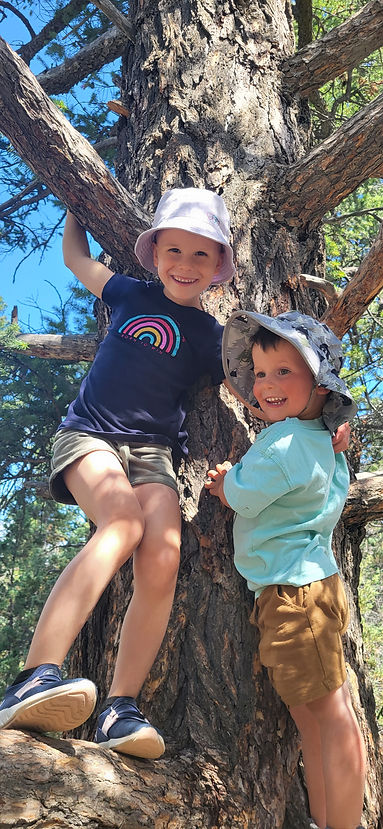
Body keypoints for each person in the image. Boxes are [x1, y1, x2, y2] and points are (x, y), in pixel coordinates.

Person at [0, 187, 235, 759]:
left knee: (163, 557)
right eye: (174, 250)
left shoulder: (212, 337)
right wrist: (75, 199)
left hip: (154, 453)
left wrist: (322, 420)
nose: (185, 264)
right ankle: (34, 674)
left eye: (201, 255)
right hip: (90, 436)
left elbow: (254, 388)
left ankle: (119, 708)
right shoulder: (131, 292)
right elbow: (76, 260)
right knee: (123, 525)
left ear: (218, 268)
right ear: (154, 253)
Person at [205, 309, 365, 829]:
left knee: (329, 715)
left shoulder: (287, 441)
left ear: (320, 385)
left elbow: (246, 497)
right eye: (259, 372)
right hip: (307, 584)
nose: (266, 384)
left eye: (284, 371)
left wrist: (224, 483)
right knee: (311, 713)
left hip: (294, 591)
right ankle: (326, 817)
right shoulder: (318, 439)